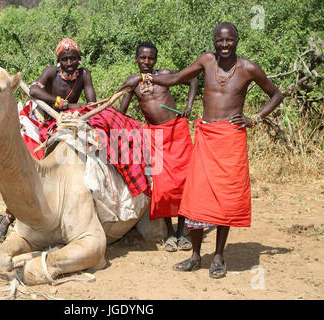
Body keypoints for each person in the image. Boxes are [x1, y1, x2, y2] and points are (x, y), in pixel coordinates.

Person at [121, 22, 283, 278]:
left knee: (225, 199)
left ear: (237, 40)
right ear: (214, 42)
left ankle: (218, 256)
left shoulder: (248, 68)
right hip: (206, 135)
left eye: (229, 40)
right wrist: (145, 77)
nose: (224, 45)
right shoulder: (207, 60)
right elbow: (176, 78)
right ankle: (195, 256)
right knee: (195, 195)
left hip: (231, 138)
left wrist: (254, 118)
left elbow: (276, 94)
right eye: (220, 40)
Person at [0, 38, 97, 245]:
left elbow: (92, 103)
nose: (69, 63)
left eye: (73, 58)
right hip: (40, 122)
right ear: (59, 60)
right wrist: (60, 102)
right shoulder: (51, 72)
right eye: (65, 59)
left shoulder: (84, 74)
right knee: (33, 169)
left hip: (65, 123)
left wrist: (80, 109)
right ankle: (9, 216)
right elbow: (34, 91)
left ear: (80, 59)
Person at [119, 41, 198, 252]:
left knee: (182, 184)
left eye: (151, 58)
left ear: (156, 59)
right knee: (163, 187)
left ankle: (183, 233)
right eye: (142, 58)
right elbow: (121, 111)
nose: (146, 62)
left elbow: (192, 79)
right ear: (136, 59)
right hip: (155, 136)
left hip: (177, 133)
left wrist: (188, 106)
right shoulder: (133, 83)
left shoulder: (165, 75)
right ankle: (170, 235)